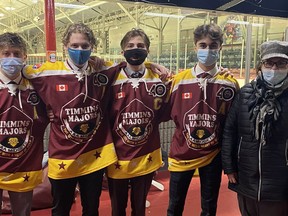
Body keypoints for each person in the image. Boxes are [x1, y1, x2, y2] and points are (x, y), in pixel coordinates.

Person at [23, 23, 168, 216]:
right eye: (75, 46)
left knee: (92, 209)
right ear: (65, 46)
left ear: (92, 47)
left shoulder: (101, 69)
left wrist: (152, 65)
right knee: (60, 209)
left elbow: (131, 63)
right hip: (62, 158)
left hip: (94, 156)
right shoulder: (47, 71)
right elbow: (19, 74)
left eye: (85, 46)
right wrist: (45, 111)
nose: (80, 50)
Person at [164, 23, 239, 216]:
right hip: (181, 153)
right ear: (195, 47)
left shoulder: (229, 83)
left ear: (220, 47)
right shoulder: (178, 81)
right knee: (174, 207)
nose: (208, 49)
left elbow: (233, 125)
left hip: (213, 155)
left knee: (209, 207)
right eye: (203, 45)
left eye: (213, 46)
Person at [221, 40, 288, 216]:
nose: (274, 68)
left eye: (281, 63)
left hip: (280, 184)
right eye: (269, 63)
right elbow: (230, 131)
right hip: (246, 178)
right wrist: (229, 166)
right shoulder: (245, 94)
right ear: (260, 66)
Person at [106, 28, 168, 216]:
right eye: (130, 46)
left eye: (140, 46)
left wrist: (152, 66)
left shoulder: (159, 79)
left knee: (139, 208)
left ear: (147, 50)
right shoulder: (111, 77)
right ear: (122, 51)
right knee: (118, 208)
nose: (135, 49)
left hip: (145, 156)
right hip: (117, 157)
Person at [0, 32, 49, 215]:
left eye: (16, 53)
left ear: (25, 57)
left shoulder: (38, 85)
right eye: (6, 53)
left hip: (24, 167)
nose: (12, 58)